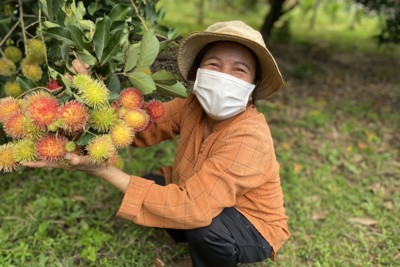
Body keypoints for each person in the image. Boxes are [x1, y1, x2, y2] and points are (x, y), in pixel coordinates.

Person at [24, 20, 290, 266]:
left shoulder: (251, 136)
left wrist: (104, 170)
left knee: (205, 227)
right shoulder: (191, 105)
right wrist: (84, 105)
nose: (224, 76)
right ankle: (185, 228)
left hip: (252, 224)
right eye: (214, 65)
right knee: (154, 185)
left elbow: (194, 207)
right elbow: (139, 126)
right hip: (199, 192)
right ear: (198, 72)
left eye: (239, 70)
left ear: (253, 85)